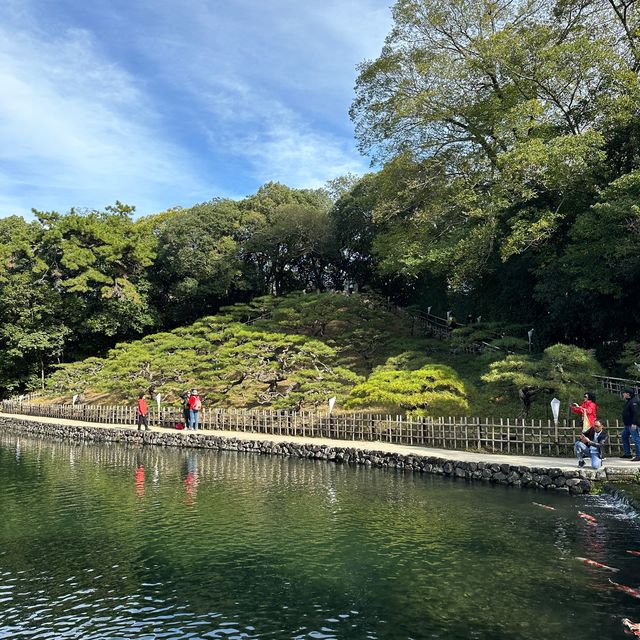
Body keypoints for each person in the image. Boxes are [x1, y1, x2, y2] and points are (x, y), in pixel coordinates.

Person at [621, 386, 640, 461]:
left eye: (624, 393)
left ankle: (639, 455)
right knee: (624, 436)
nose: (623, 394)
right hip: (628, 424)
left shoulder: (634, 401)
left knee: (636, 439)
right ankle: (627, 453)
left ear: (628, 394)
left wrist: (634, 423)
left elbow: (636, 413)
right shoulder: (630, 401)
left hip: (632, 424)